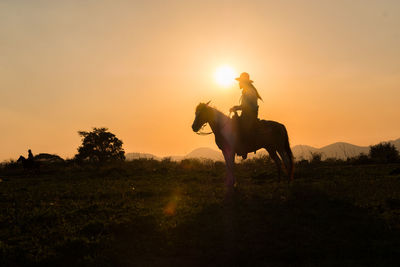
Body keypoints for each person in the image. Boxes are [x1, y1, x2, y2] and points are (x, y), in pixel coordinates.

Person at [229, 72, 263, 158]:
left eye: (240, 82)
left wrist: (236, 108)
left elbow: (247, 106)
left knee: (240, 127)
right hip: (247, 114)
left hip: (249, 115)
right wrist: (236, 107)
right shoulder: (246, 91)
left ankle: (244, 148)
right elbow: (245, 106)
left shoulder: (249, 91)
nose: (239, 83)